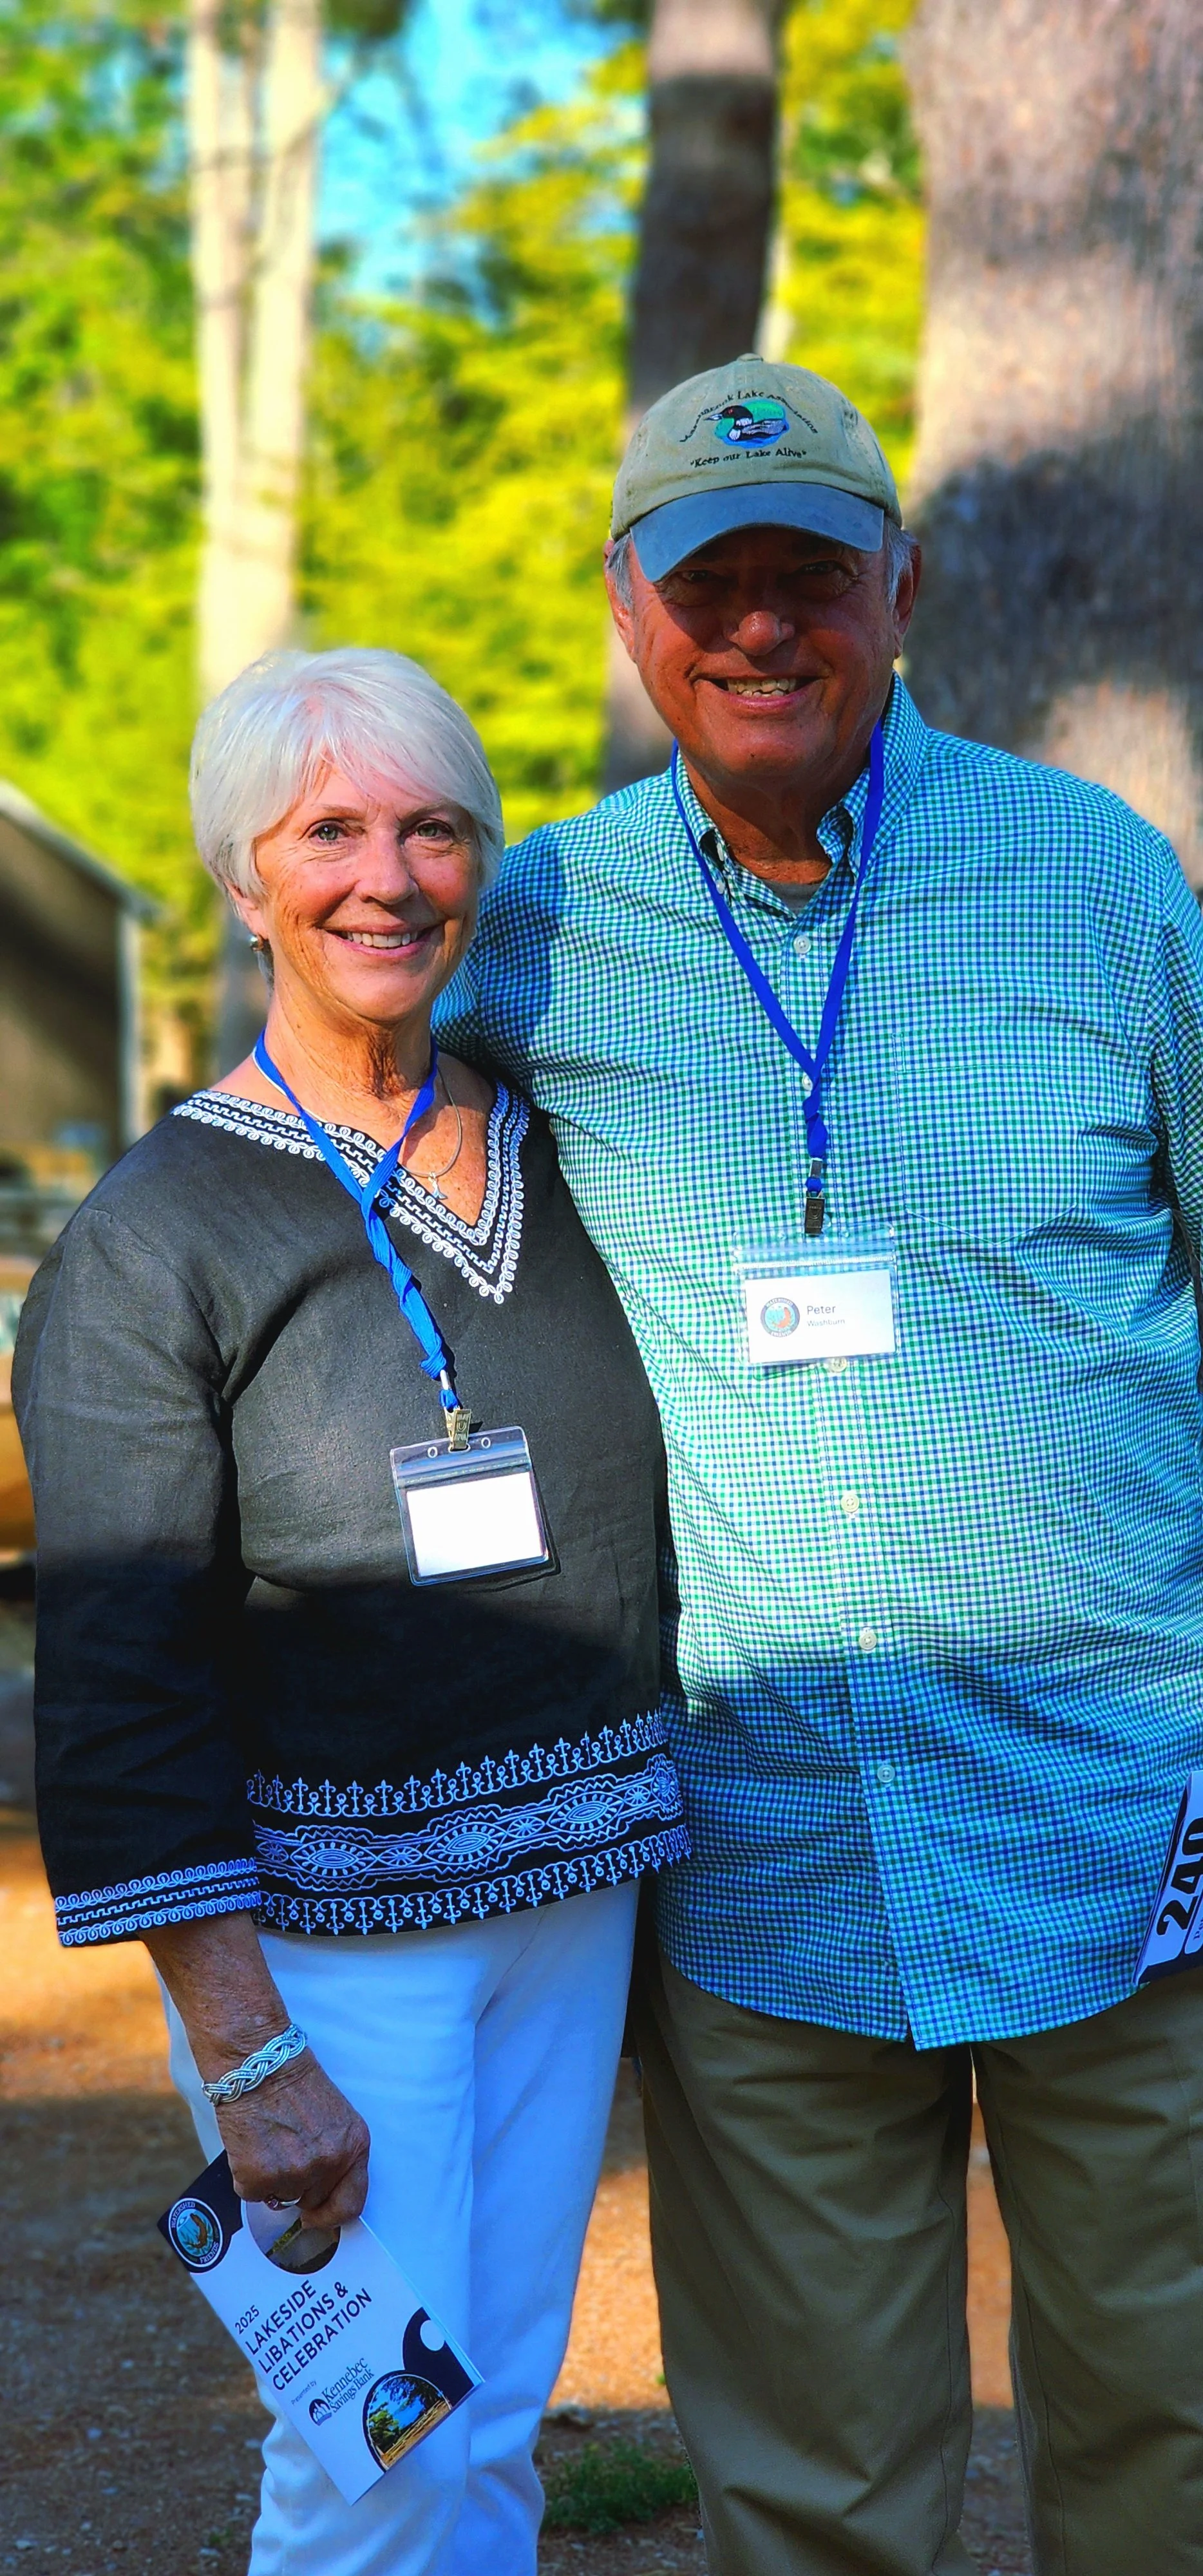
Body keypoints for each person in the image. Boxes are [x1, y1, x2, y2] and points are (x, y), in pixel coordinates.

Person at [435, 355, 1203, 2575]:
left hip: (1123, 1805)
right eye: (709, 585)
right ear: (624, 611)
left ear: (901, 585)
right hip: (760, 1819)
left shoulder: (1095, 882)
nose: (758, 628)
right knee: (805, 2469)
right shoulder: (532, 930)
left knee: (1168, 2413)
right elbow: (330, 1159)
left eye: (807, 580)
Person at [14, 645, 686, 2576]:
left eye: (432, 827)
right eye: (329, 832)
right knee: (368, 2453)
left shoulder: (563, 1146)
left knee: (487, 2416)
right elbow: (122, 1682)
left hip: (573, 1902)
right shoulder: (157, 1240)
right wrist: (243, 2055)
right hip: (334, 1963)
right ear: (244, 876)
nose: (385, 877)